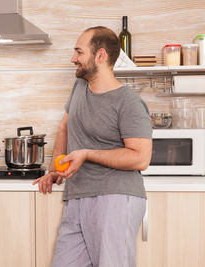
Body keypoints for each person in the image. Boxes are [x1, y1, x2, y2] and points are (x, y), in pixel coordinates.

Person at [33, 26, 153, 267]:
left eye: (78, 52)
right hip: (77, 196)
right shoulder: (79, 88)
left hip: (116, 197)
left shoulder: (128, 102)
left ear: (100, 55)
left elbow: (140, 158)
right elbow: (65, 125)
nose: (73, 58)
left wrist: (86, 154)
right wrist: (56, 167)